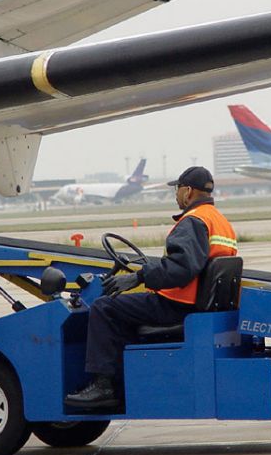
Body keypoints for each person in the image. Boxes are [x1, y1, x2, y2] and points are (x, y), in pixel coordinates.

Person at [64, 166, 237, 409]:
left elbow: (182, 268)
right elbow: (193, 262)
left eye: (177, 189)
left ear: (187, 191)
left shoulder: (192, 221)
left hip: (177, 305)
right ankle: (122, 378)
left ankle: (104, 386)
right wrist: (151, 270)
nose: (175, 195)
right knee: (124, 309)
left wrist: (138, 277)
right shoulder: (218, 220)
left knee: (104, 308)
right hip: (198, 303)